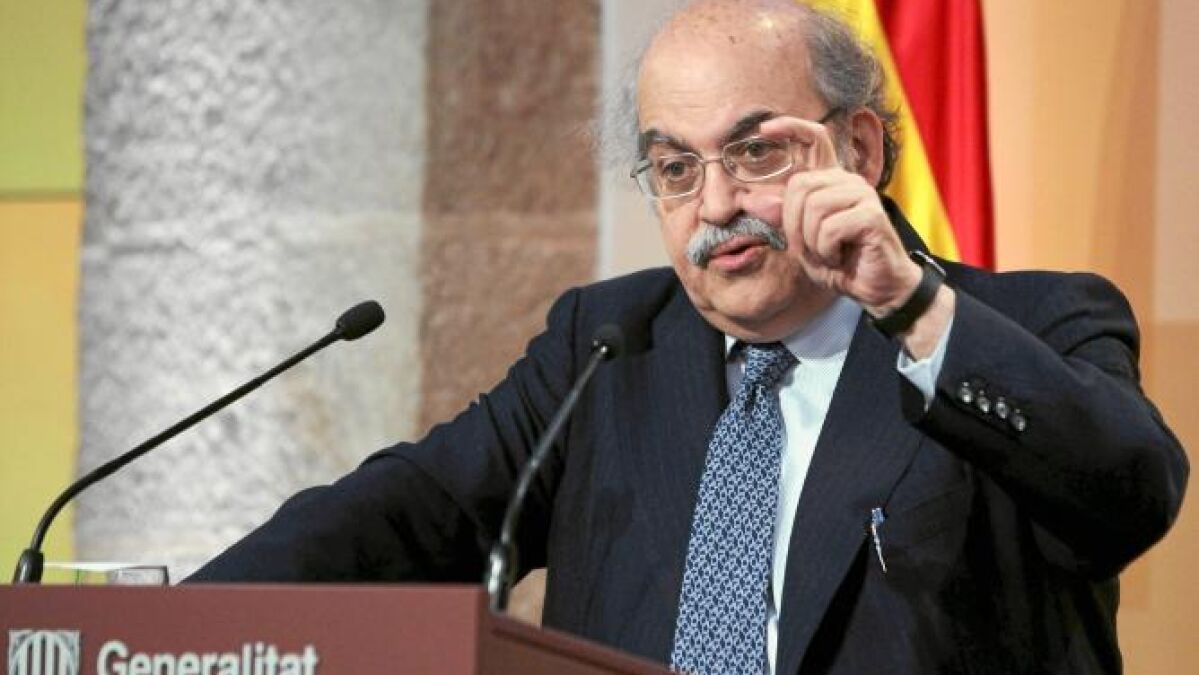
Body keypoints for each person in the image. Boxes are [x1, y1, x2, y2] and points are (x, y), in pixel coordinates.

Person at [190, 1, 1189, 673]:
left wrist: (912, 306)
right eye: (674, 168)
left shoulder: (1033, 323)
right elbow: (406, 514)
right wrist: (171, 631)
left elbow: (1127, 497)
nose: (714, 206)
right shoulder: (604, 344)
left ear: (857, 149)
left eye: (754, 152)